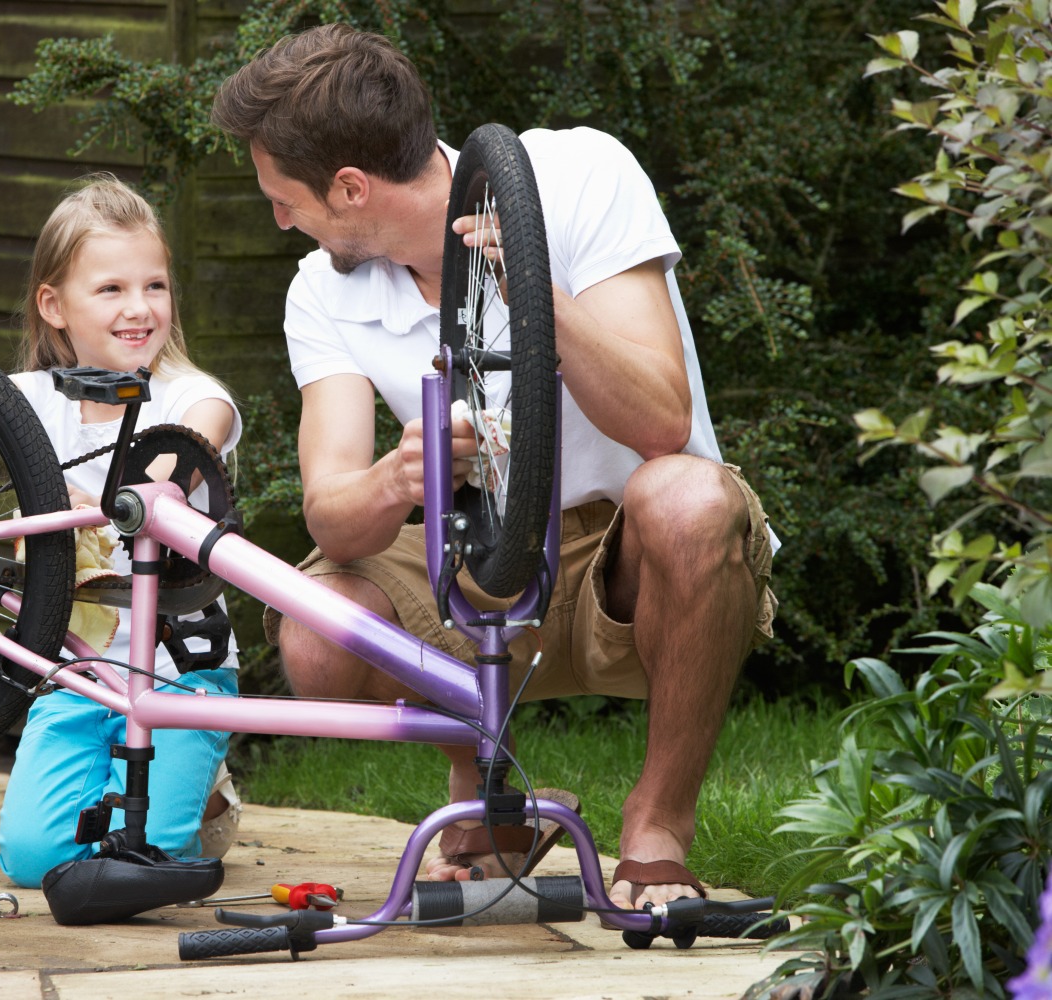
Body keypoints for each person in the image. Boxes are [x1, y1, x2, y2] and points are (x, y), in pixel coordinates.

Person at [210, 24, 777, 914]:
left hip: (632, 558)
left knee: (690, 498)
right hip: (480, 561)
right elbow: (330, 514)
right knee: (316, 631)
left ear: (350, 188)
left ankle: (658, 826)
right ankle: (494, 795)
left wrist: (544, 301)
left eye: (286, 199)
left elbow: (664, 419)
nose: (280, 220)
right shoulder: (323, 289)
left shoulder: (581, 174)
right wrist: (402, 478)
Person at [0, 174, 244, 889]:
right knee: (30, 860)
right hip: (76, 674)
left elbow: (170, 470)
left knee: (150, 854)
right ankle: (131, 792)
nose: (140, 308)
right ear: (54, 306)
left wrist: (85, 494)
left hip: (179, 674)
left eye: (154, 286)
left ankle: (205, 792)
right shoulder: (35, 401)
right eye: (111, 290)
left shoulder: (196, 395)